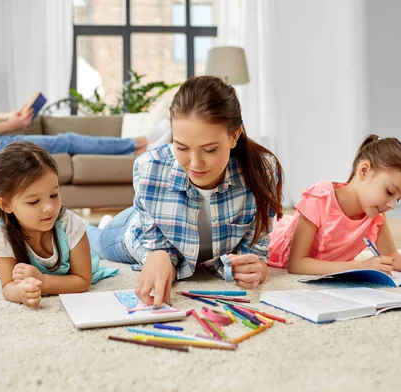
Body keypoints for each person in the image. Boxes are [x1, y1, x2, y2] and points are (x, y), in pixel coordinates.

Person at [87, 76, 284, 307]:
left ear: (234, 136)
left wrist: (257, 267)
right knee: (94, 241)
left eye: (209, 149)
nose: (196, 163)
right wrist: (158, 256)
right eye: (181, 147)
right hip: (133, 231)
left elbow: (255, 251)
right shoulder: (149, 167)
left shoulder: (263, 171)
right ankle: (92, 224)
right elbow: (154, 246)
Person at [268, 134, 401, 283]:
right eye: (390, 192)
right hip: (275, 239)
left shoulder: (375, 213)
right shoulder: (320, 199)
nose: (392, 205)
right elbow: (297, 264)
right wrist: (360, 266)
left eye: (399, 199)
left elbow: (390, 254)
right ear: (364, 170)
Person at [0, 47, 167, 157]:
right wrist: (11, 125)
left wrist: (14, 114)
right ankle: (140, 144)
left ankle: (139, 145)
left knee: (67, 140)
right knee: (68, 140)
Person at [0, 141, 118, 308]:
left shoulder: (69, 223)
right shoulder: (1, 234)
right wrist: (21, 292)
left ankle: (107, 225)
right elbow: (8, 286)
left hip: (89, 244)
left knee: (109, 242)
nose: (49, 208)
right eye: (34, 201)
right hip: (79, 239)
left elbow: (83, 281)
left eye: (54, 195)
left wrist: (42, 280)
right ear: (5, 205)